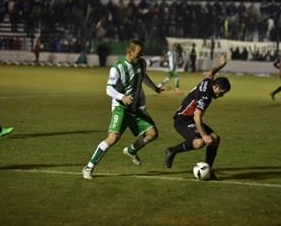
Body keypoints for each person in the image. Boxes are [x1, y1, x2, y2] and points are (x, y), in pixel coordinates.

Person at [82, 39, 165, 179]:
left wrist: (155, 88)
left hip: (136, 108)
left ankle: (131, 151)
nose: (141, 56)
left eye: (142, 53)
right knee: (113, 138)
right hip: (120, 108)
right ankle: (88, 167)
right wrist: (122, 97)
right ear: (130, 53)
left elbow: (143, 76)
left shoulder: (142, 63)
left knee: (152, 134)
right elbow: (109, 89)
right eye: (138, 53)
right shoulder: (118, 68)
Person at [164, 54, 231, 180]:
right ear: (215, 87)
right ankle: (172, 150)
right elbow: (197, 117)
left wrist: (222, 64)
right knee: (200, 142)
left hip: (190, 118)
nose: (221, 95)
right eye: (221, 93)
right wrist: (205, 135)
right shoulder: (205, 97)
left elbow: (211, 72)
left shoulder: (209, 82)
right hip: (182, 120)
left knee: (215, 139)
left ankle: (208, 170)